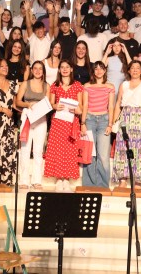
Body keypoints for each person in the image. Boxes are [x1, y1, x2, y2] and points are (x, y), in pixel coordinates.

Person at [113, 60, 141, 188]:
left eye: (138, 68)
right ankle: (123, 179)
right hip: (126, 119)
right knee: (124, 148)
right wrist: (113, 122)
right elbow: (118, 104)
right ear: (129, 70)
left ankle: (138, 180)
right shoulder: (124, 85)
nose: (135, 70)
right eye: (132, 68)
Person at [44, 60, 84, 192]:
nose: (65, 69)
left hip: (72, 122)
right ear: (59, 70)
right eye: (62, 67)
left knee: (70, 150)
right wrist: (55, 106)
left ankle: (66, 179)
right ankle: (58, 179)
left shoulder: (77, 85)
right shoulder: (54, 85)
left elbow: (81, 107)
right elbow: (51, 104)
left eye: (67, 67)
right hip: (58, 122)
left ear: (72, 69)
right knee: (57, 149)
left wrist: (76, 110)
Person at [16, 61, 50, 189]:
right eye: (35, 68)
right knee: (25, 149)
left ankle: (37, 180)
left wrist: (40, 107)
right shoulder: (26, 83)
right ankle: (24, 181)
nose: (37, 71)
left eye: (40, 68)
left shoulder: (47, 86)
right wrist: (28, 104)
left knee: (38, 150)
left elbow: (49, 104)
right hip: (27, 116)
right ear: (31, 70)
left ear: (43, 71)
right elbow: (18, 101)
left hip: (40, 117)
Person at [81, 62, 115, 188]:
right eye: (96, 69)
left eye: (101, 68)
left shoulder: (110, 86)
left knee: (103, 155)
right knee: (89, 153)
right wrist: (82, 123)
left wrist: (110, 124)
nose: (99, 71)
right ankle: (89, 184)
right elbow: (85, 105)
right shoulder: (87, 86)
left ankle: (102, 185)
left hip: (104, 121)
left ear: (105, 70)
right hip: (89, 119)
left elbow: (111, 106)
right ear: (93, 71)